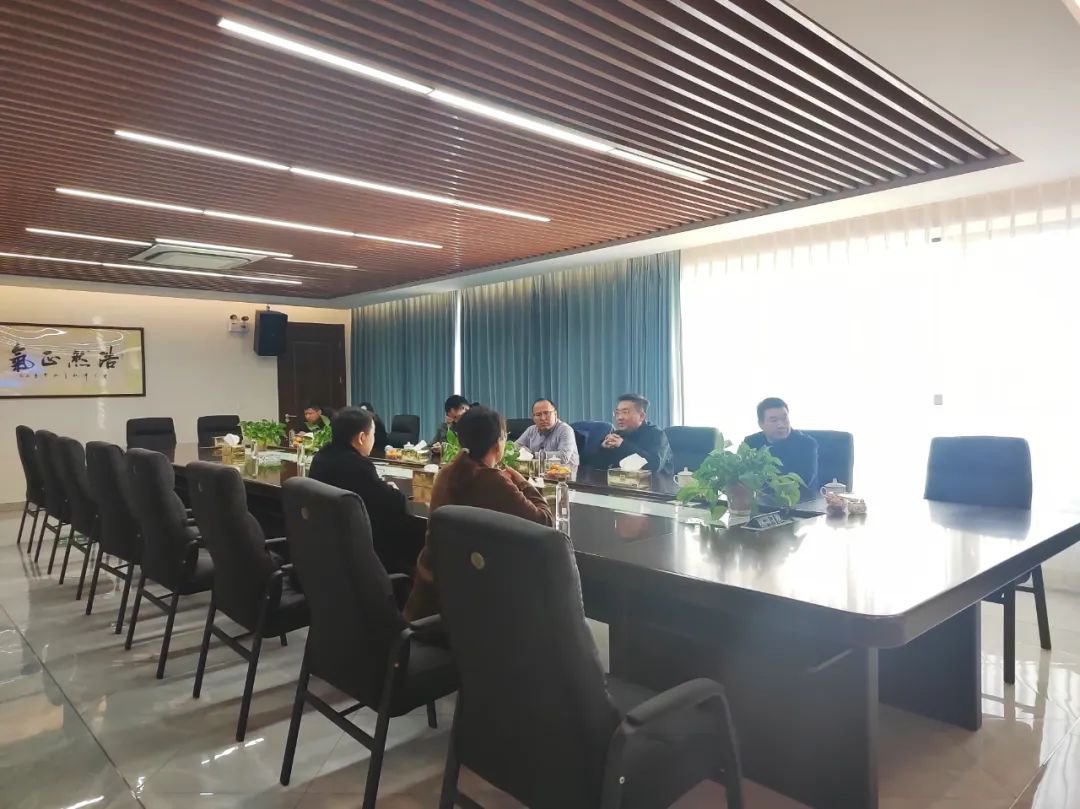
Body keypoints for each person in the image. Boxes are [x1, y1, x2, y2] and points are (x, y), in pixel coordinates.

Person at [405, 406, 554, 620]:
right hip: (477, 604)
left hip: (434, 596)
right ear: (498, 442)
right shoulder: (493, 481)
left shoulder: (447, 473)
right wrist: (523, 483)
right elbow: (544, 521)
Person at [308, 407, 424, 574]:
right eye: (373, 434)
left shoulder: (321, 457)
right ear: (362, 437)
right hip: (358, 551)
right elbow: (396, 503)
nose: (374, 439)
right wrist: (391, 490)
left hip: (328, 546)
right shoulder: (357, 465)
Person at [743, 397, 819, 495]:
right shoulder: (751, 442)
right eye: (774, 420)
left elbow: (803, 482)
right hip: (761, 500)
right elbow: (743, 477)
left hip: (801, 501)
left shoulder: (806, 444)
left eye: (784, 418)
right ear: (761, 424)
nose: (781, 425)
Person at [585, 393, 672, 473]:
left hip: (654, 483)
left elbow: (654, 465)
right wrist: (603, 448)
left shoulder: (657, 434)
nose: (619, 417)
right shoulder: (617, 435)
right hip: (622, 482)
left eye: (625, 412)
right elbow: (596, 466)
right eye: (617, 413)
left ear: (641, 416)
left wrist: (623, 445)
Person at [515, 397, 580, 471]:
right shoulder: (531, 430)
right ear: (533, 418)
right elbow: (515, 447)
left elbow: (563, 457)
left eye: (547, 413)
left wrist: (532, 455)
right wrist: (525, 451)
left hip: (565, 474)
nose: (543, 418)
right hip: (539, 472)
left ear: (555, 414)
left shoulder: (566, 430)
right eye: (538, 415)